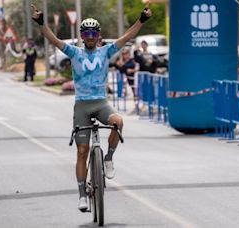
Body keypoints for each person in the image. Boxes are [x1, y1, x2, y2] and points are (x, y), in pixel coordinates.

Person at [31, 3, 152, 211]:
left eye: (93, 33)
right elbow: (55, 40)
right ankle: (82, 196)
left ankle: (108, 159)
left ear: (98, 35)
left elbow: (126, 37)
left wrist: (141, 20)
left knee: (118, 121)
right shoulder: (74, 52)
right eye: (86, 33)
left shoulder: (106, 51)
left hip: (101, 103)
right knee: (82, 151)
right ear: (81, 35)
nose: (89, 36)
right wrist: (42, 24)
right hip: (82, 106)